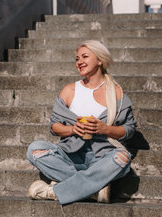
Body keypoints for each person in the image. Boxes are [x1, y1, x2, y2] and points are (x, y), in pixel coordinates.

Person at [26, 40, 136, 205]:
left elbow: (129, 130)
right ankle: (94, 188)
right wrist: (72, 129)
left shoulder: (116, 92)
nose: (79, 62)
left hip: (101, 158)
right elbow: (54, 126)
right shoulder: (69, 90)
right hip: (69, 157)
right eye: (77, 59)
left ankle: (53, 191)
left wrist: (105, 129)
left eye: (85, 57)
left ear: (100, 60)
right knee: (34, 149)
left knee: (122, 157)